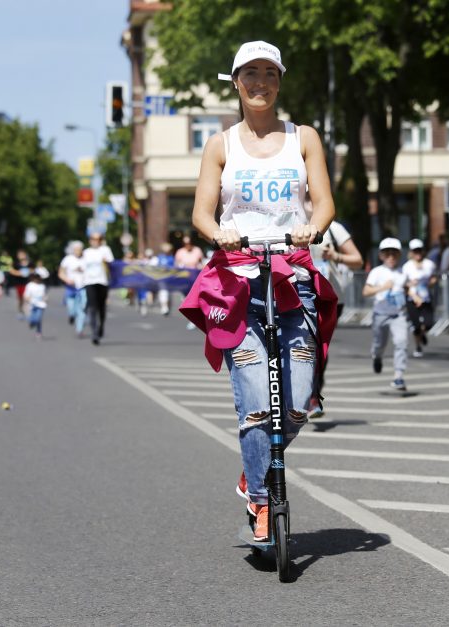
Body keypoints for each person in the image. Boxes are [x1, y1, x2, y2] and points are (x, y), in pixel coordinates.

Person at [180, 40, 337, 543]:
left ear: (280, 80)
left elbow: (325, 205)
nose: (260, 82)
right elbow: (202, 213)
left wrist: (312, 227)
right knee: (254, 404)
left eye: (270, 73)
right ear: (235, 82)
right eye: (250, 74)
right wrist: (217, 231)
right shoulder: (220, 145)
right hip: (238, 285)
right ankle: (262, 502)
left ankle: (254, 472)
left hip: (293, 277)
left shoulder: (304, 138)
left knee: (296, 403)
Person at [364, 237, 409, 391]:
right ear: (381, 256)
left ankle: (398, 376)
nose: (391, 257)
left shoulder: (403, 272)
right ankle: (377, 356)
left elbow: (407, 289)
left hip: (399, 314)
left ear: (399, 255)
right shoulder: (377, 272)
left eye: (394, 254)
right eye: (387, 254)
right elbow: (366, 291)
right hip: (381, 313)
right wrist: (382, 287)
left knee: (401, 343)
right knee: (379, 344)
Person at [308, 219, 363, 316]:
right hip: (301, 296)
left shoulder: (333, 227)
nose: (310, 204)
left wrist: (334, 256)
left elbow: (358, 261)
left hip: (330, 299)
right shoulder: (291, 223)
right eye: (307, 202)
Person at [403, 238, 436, 358]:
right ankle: (418, 346)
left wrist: (431, 283)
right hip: (412, 298)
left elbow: (433, 278)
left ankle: (422, 334)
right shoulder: (407, 267)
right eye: (415, 251)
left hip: (426, 297)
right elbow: (403, 284)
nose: (417, 253)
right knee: (416, 325)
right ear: (411, 252)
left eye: (419, 250)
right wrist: (411, 289)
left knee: (428, 323)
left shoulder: (429, 264)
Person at [81, 232, 114, 345]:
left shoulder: (105, 250)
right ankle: (94, 332)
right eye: (93, 239)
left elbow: (112, 264)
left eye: (98, 239)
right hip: (90, 282)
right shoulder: (86, 252)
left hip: (103, 281)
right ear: (90, 240)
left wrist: (106, 261)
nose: (96, 241)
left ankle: (101, 327)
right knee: (92, 307)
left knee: (101, 307)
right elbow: (83, 267)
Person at [58, 241, 86, 334]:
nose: (78, 251)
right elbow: (61, 273)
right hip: (71, 287)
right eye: (76, 249)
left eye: (79, 249)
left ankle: (79, 329)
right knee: (71, 308)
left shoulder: (86, 258)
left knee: (82, 308)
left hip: (83, 287)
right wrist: (67, 279)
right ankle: (72, 315)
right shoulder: (68, 259)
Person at [23, 272, 47, 339]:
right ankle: (32, 323)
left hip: (41, 304)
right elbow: (26, 295)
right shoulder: (29, 285)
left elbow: (44, 294)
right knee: (32, 317)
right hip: (32, 304)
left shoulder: (42, 286)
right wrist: (28, 300)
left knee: (38, 318)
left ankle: (39, 331)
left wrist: (45, 298)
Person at [155, 242, 176, 316]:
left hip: (169, 278)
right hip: (161, 278)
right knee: (163, 292)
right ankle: (164, 307)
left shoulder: (171, 258)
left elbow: (174, 267)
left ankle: (168, 306)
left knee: (169, 294)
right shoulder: (159, 257)